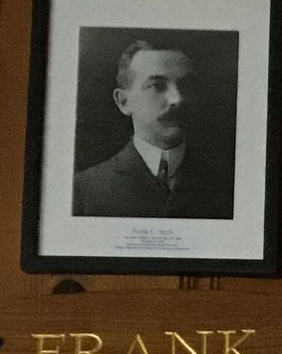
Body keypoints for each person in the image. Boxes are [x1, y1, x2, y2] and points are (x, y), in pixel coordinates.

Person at [72, 38, 232, 220]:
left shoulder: (227, 185)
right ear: (123, 101)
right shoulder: (83, 190)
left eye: (186, 85)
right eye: (157, 86)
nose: (177, 99)